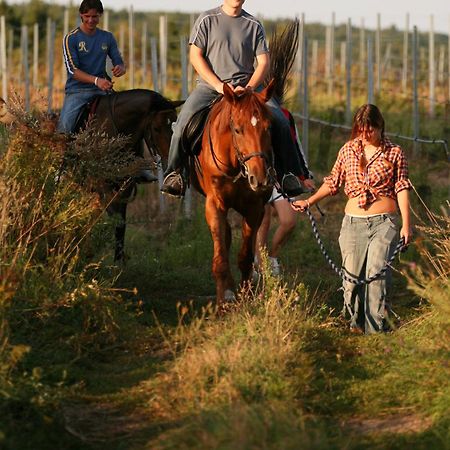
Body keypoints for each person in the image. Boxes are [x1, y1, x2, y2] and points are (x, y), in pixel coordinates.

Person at [161, 0, 311, 197]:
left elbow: (263, 61)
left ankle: (289, 175)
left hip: (248, 88)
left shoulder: (253, 24)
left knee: (281, 121)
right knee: (181, 125)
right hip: (211, 87)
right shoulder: (207, 19)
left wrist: (249, 88)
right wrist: (218, 85)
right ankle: (175, 173)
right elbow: (195, 56)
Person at [292, 104, 412, 334]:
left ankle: (376, 331)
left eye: (370, 131)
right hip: (353, 224)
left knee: (377, 275)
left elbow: (402, 188)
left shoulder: (394, 152)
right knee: (352, 281)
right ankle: (355, 327)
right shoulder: (348, 150)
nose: (365, 136)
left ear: (380, 127)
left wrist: (406, 225)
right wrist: (309, 201)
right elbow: (333, 182)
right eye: (361, 130)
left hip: (383, 222)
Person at [255, 108, 315, 276]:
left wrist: (304, 175)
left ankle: (271, 257)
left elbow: (295, 145)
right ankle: (259, 266)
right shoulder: (250, 111)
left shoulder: (285, 115)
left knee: (289, 221)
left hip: (280, 176)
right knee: (263, 221)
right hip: (259, 175)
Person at [58, 0, 126, 134]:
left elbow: (118, 61)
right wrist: (96, 81)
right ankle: (61, 154)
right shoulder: (71, 38)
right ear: (81, 15)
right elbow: (73, 70)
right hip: (77, 91)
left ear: (100, 15)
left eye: (94, 16)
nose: (90, 20)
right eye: (87, 16)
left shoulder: (108, 37)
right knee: (63, 132)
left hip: (104, 90)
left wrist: (121, 68)